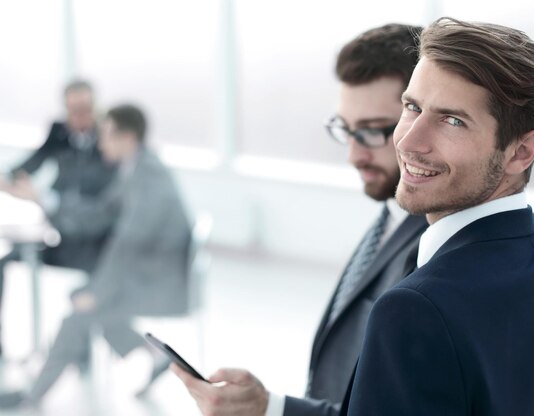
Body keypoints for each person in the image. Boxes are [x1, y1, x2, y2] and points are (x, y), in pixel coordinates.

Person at [340, 17, 534, 416]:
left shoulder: (414, 308)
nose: (408, 140)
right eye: (412, 107)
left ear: (521, 152)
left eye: (452, 120)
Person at [171, 24, 428, 416]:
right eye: (347, 130)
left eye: (375, 132)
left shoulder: (436, 245)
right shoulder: (390, 217)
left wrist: (271, 409)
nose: (354, 156)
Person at [0, 104, 192, 408]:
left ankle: (31, 396)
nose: (100, 142)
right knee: (88, 301)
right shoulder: (136, 168)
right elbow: (100, 213)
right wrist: (41, 197)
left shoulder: (148, 177)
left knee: (79, 315)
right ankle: (152, 355)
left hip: (157, 280)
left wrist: (98, 292)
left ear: (127, 137)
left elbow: (128, 243)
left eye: (106, 135)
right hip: (147, 269)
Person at [0, 80, 116, 354]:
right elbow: (31, 164)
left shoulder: (109, 139)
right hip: (56, 230)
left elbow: (102, 204)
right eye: (73, 111)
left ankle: (81, 351)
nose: (80, 117)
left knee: (89, 286)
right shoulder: (59, 132)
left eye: (86, 109)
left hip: (89, 238)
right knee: (5, 260)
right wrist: (8, 179)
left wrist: (44, 199)